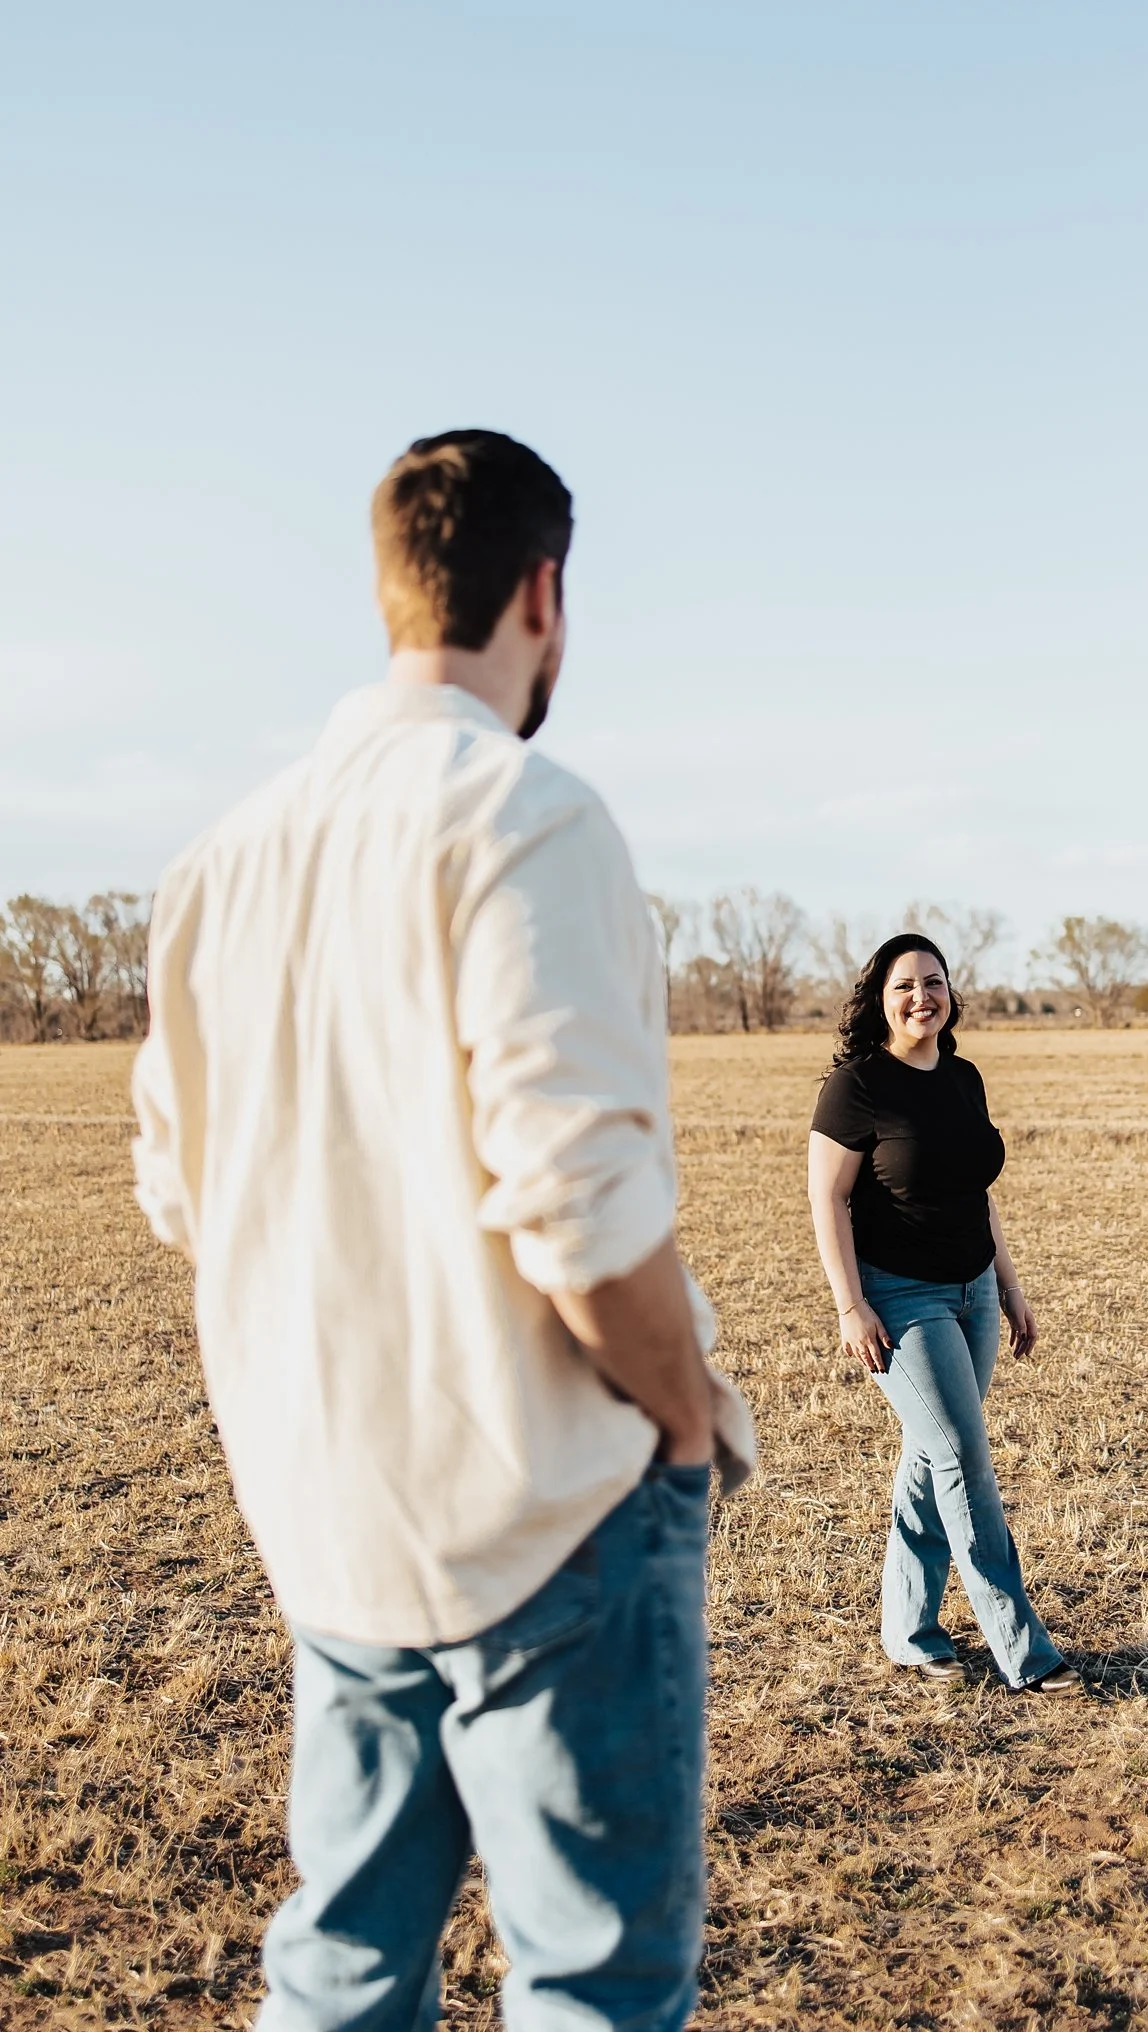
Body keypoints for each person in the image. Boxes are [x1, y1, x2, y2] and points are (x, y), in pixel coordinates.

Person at [131, 428, 756, 2032]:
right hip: (546, 1508)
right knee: (591, 1984)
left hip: (332, 1516)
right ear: (544, 594)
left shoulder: (219, 866)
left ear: (389, 587)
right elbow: (579, 1200)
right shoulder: (527, 818)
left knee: (341, 1972)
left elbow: (175, 1188)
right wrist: (684, 1420)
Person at [807, 933, 1078, 1695]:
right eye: (904, 986)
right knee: (962, 1457)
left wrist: (1009, 1285)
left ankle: (907, 1629)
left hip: (971, 1293)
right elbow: (826, 1198)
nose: (921, 996)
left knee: (934, 1459)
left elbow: (975, 1191)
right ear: (879, 1000)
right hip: (898, 1298)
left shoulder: (962, 1078)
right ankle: (1022, 1650)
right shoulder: (857, 1087)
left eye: (933, 981)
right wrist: (849, 1305)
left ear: (949, 992)